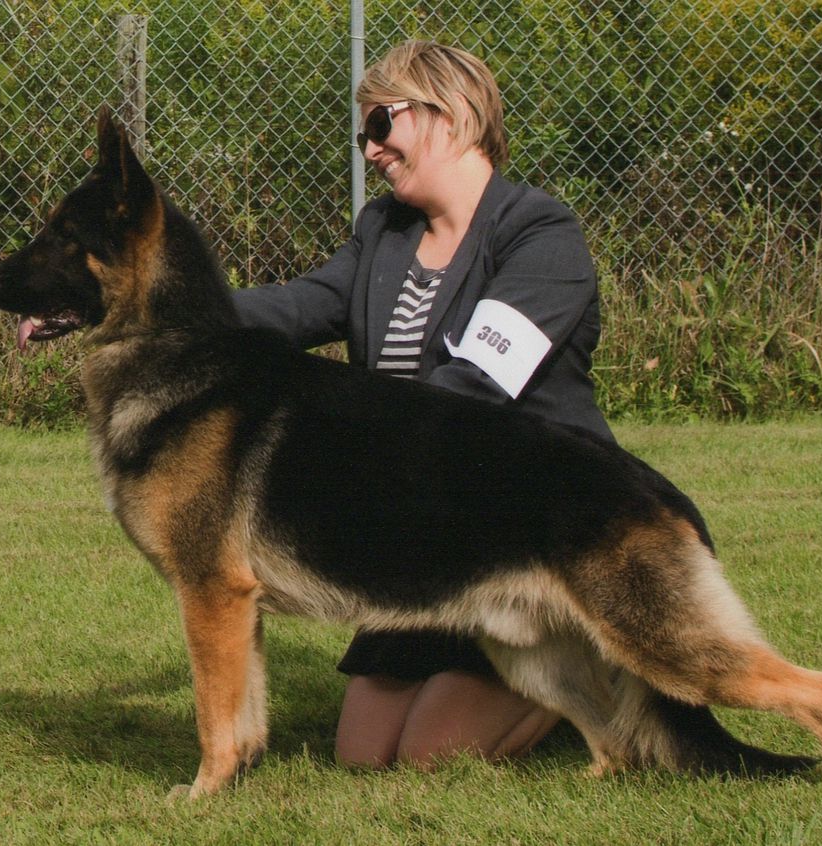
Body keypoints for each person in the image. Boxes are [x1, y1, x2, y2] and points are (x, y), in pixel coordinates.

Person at [231, 39, 615, 770]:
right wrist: (164, 302)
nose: (370, 150)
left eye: (381, 125)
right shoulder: (383, 231)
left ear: (453, 114)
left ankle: (584, 665)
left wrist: (354, 452)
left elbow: (476, 384)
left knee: (428, 756)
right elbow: (300, 306)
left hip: (527, 530)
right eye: (363, 134)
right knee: (362, 755)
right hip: (426, 527)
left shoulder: (540, 234)